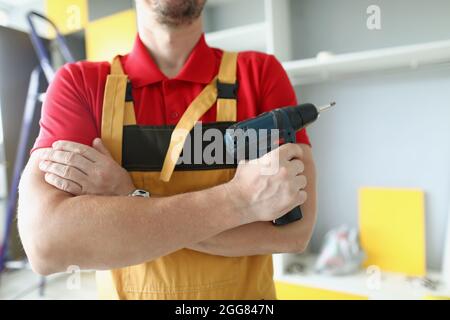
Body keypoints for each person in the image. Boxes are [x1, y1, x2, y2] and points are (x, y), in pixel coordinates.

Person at [18, 0, 317, 299]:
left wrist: (128, 198)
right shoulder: (79, 85)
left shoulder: (260, 74)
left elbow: (293, 234)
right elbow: (47, 246)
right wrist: (239, 201)